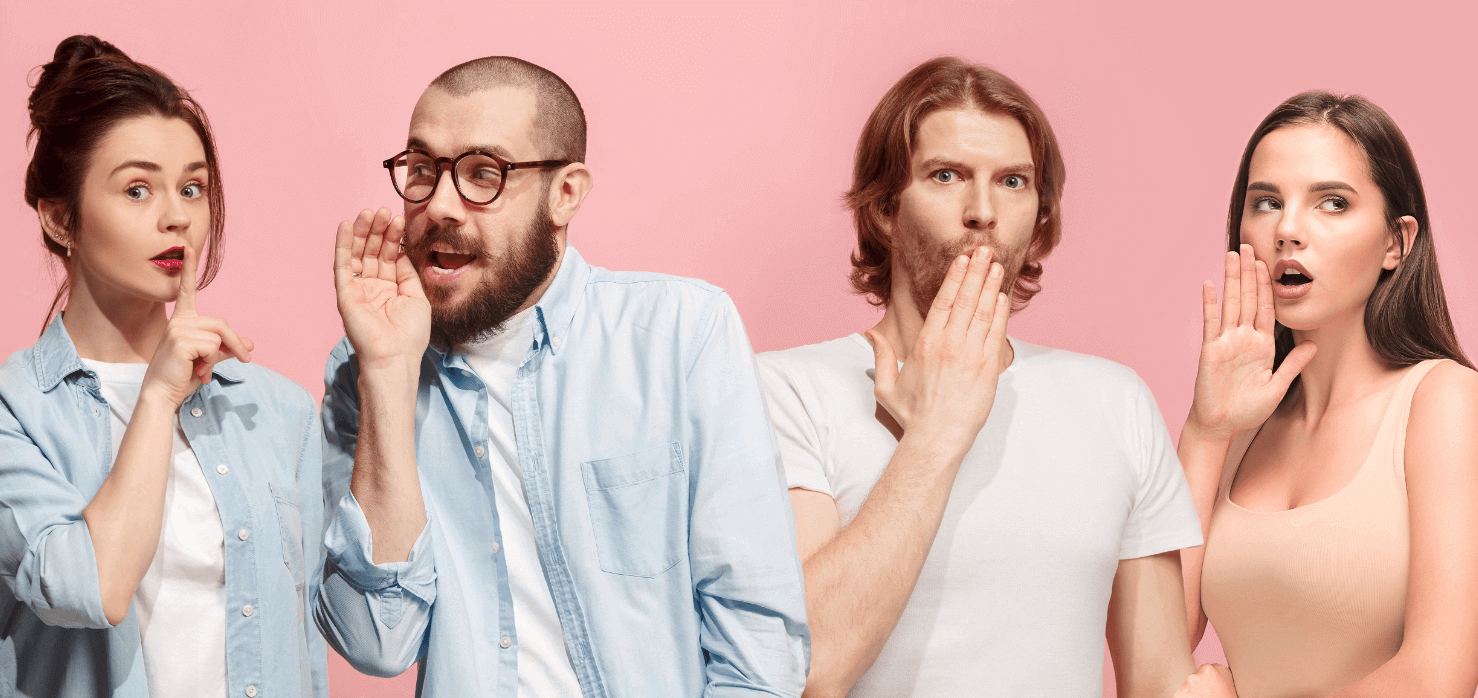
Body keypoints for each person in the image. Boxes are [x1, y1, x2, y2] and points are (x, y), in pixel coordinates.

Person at [313, 56, 808, 697]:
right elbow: (376, 642)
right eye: (422, 171)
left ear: (565, 193)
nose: (439, 206)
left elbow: (760, 643)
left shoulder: (681, 333)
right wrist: (386, 373)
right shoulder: (365, 370)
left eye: (482, 175)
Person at [756, 57, 1203, 698]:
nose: (983, 211)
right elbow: (806, 668)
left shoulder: (1115, 402)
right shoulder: (786, 393)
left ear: (1040, 214)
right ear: (884, 209)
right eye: (947, 176)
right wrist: (935, 437)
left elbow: (1159, 681)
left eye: (1014, 182)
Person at [0, 35, 326, 698]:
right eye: (138, 189)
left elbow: (307, 647)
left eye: (193, 187)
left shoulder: (278, 409)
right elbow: (90, 587)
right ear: (62, 219)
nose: (177, 216)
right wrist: (156, 399)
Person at [1176, 92, 1478, 698]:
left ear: (1397, 242)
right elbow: (1152, 647)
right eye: (1265, 203)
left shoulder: (1444, 401)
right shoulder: (1239, 424)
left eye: (1332, 203)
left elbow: (1439, 675)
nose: (1288, 230)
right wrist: (1206, 431)